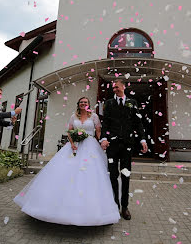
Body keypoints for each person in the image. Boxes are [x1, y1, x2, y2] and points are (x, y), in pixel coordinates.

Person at [14, 97, 120, 226]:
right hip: (74, 146)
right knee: (66, 172)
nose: (83, 104)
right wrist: (72, 143)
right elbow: (69, 131)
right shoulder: (73, 116)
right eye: (81, 102)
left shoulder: (94, 116)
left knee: (90, 174)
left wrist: (101, 142)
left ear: (88, 104)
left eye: (85, 102)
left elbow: (98, 131)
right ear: (78, 104)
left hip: (90, 146)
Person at [100, 79, 147, 220]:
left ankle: (125, 207)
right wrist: (103, 139)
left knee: (125, 176)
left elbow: (137, 122)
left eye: (116, 86)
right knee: (113, 175)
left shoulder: (132, 103)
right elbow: (105, 123)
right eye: (113, 87)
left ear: (123, 87)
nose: (114, 89)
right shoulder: (108, 103)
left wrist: (143, 139)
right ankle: (114, 205)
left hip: (127, 144)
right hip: (112, 146)